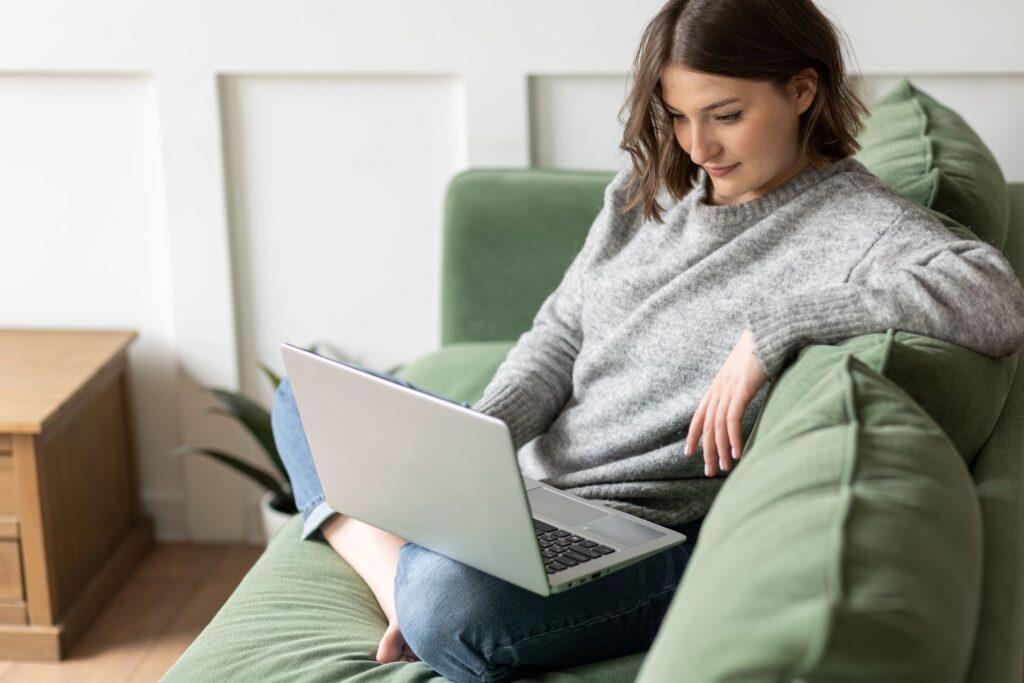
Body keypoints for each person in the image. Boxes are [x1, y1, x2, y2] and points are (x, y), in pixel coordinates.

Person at [273, 0, 1024, 680]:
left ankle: (407, 573)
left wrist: (779, 327)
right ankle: (396, 566)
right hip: (523, 492)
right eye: (680, 115)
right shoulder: (651, 189)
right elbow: (563, 327)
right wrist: (487, 432)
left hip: (641, 532)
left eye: (726, 114)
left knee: (452, 610)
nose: (700, 145)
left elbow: (995, 298)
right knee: (301, 395)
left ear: (803, 91)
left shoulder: (858, 224)